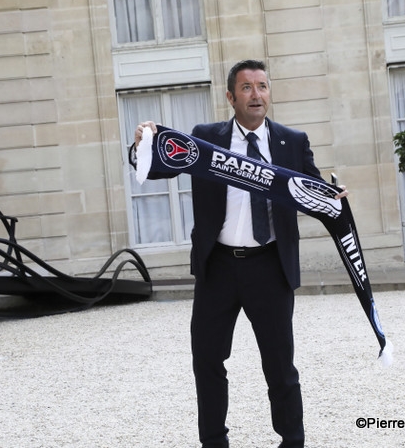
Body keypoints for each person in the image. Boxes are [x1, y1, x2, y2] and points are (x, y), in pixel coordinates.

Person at [131, 59, 347, 448]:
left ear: (270, 93)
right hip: (218, 268)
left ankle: (292, 441)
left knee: (280, 366)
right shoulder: (206, 138)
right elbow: (159, 167)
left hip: (270, 267)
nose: (256, 94)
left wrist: (334, 197)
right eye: (246, 88)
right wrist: (142, 144)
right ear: (231, 96)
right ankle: (214, 442)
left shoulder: (291, 141)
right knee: (208, 362)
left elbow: (312, 190)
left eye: (262, 86)